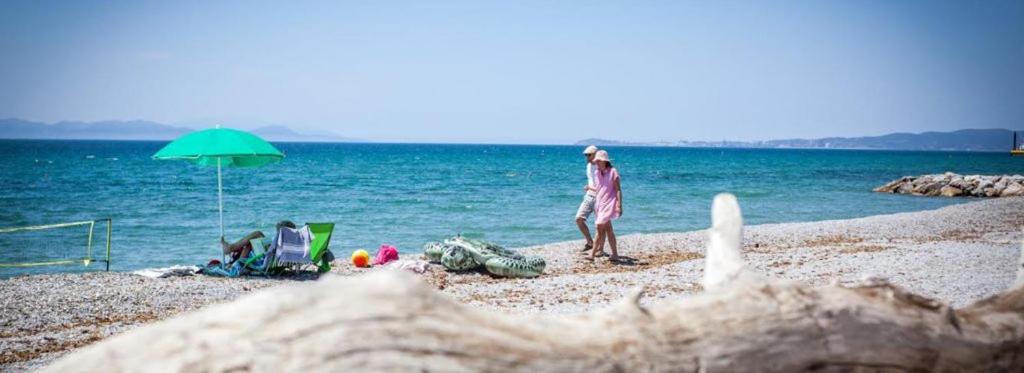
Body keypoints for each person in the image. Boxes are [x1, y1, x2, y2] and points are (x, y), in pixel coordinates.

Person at [589, 150, 622, 261]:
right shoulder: (597, 173)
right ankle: (615, 254)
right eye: (596, 161)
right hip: (599, 204)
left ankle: (592, 254)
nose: (597, 163)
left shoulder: (613, 172)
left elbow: (618, 190)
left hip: (609, 203)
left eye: (599, 161)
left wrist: (619, 205)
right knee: (608, 229)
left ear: (605, 161)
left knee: (599, 227)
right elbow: (599, 189)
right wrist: (590, 188)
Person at [220, 220, 296, 265]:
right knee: (251, 243)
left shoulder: (282, 241)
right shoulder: (291, 243)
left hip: (266, 260)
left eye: (278, 230)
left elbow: (273, 253)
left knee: (258, 234)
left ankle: (231, 248)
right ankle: (235, 259)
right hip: (271, 259)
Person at [575, 145, 600, 252]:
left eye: (589, 155)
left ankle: (600, 248)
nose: (587, 157)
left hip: (600, 198)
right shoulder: (589, 166)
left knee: (601, 225)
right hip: (589, 196)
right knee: (579, 219)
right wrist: (589, 187)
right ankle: (590, 242)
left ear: (595, 155)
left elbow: (604, 186)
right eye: (586, 155)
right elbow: (592, 181)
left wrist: (591, 187)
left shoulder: (602, 167)